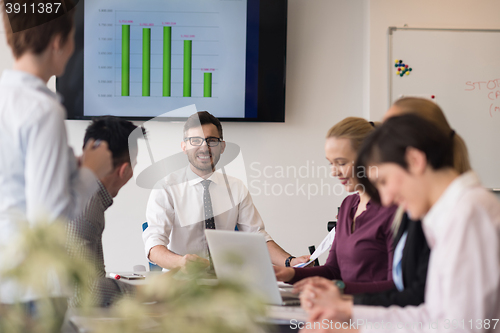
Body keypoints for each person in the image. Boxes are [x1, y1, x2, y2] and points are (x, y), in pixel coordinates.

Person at [299, 114, 500, 333]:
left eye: (383, 181)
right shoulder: (450, 214)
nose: (386, 199)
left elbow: (463, 328)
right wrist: (349, 312)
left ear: (415, 161)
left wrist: (351, 330)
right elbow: (430, 315)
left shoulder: (469, 213)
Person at [0, 0, 112, 305]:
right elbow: (50, 222)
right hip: (33, 290)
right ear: (59, 42)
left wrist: (66, 170)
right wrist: (91, 170)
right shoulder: (43, 109)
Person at [143, 111, 309, 271]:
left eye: (211, 140)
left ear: (222, 147)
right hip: (181, 282)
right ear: (184, 146)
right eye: (195, 140)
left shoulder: (236, 188)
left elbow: (257, 237)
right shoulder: (165, 187)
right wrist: (180, 262)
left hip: (226, 283)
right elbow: (153, 245)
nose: (204, 147)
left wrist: (291, 261)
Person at [274, 117, 397, 295]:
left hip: (374, 317)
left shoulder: (393, 210)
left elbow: (397, 287)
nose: (334, 172)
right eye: (331, 163)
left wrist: (338, 289)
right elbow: (333, 270)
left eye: (341, 163)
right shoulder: (349, 205)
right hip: (342, 311)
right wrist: (288, 273)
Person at [67, 117, 144, 307]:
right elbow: (84, 292)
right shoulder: (86, 205)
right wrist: (145, 291)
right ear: (125, 170)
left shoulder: (79, 194)